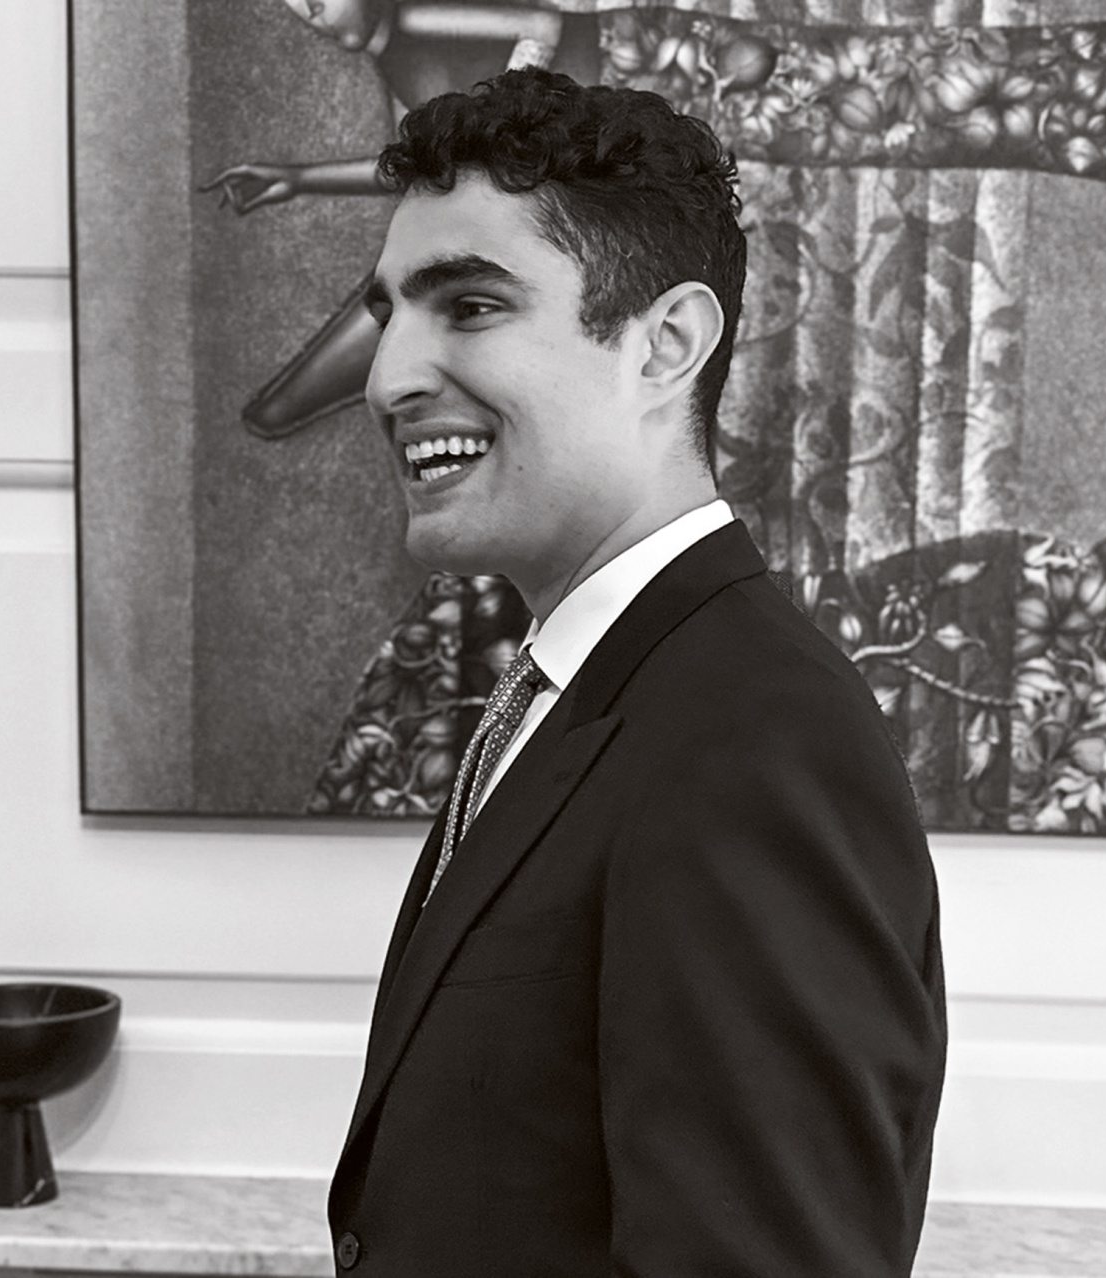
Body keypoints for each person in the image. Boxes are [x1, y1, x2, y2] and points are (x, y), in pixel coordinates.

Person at [326, 68, 946, 1275]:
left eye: (467, 305)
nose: (387, 374)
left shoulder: (753, 739)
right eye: (389, 310)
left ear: (665, 345)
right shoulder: (586, 691)